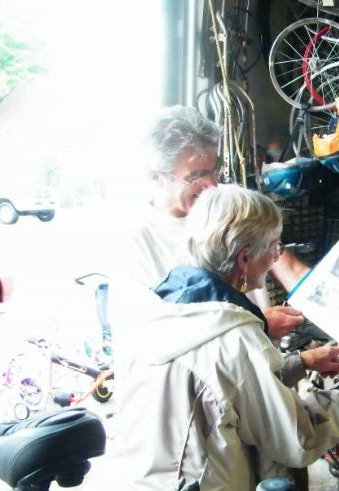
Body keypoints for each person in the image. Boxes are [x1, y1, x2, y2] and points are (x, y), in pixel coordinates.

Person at [100, 183, 339, 491]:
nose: (277, 256)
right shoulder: (233, 336)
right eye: (274, 247)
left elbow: (215, 388)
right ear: (245, 258)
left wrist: (301, 361)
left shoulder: (161, 303)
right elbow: (296, 438)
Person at [115, 104, 305, 339]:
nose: (212, 184)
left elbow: (289, 267)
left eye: (215, 170)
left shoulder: (230, 203)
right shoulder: (136, 241)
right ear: (156, 177)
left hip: (259, 358)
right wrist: (256, 324)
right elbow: (155, 334)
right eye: (196, 176)